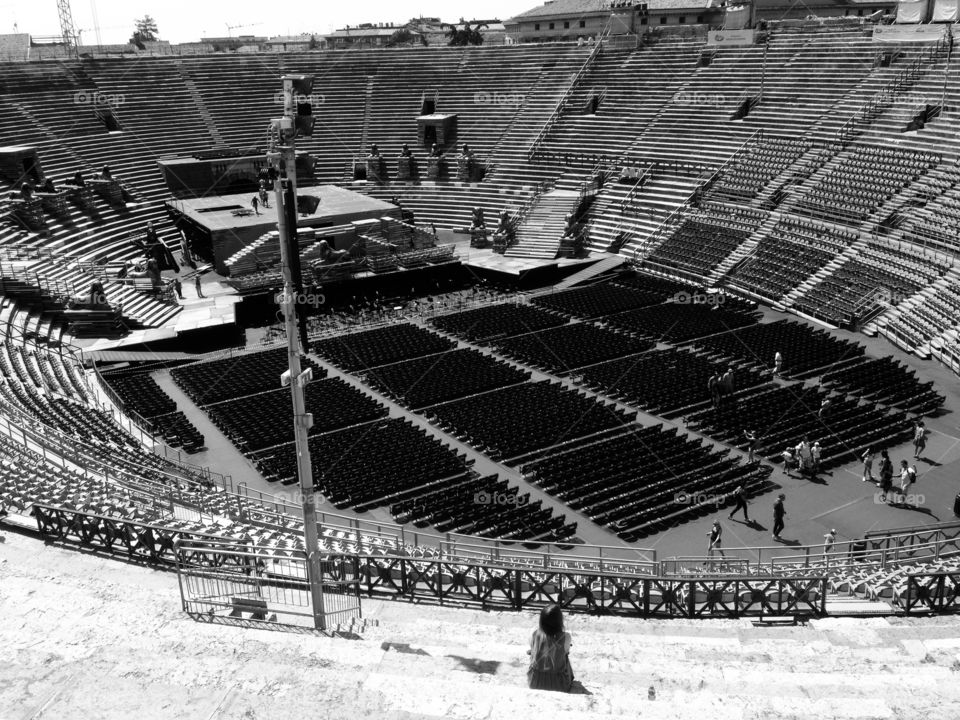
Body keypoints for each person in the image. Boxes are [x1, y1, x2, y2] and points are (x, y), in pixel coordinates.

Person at [527, 604, 574, 692]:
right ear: (560, 620)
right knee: (565, 656)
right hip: (559, 684)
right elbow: (566, 651)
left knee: (532, 652)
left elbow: (532, 646)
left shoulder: (534, 633)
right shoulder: (566, 637)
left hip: (535, 681)